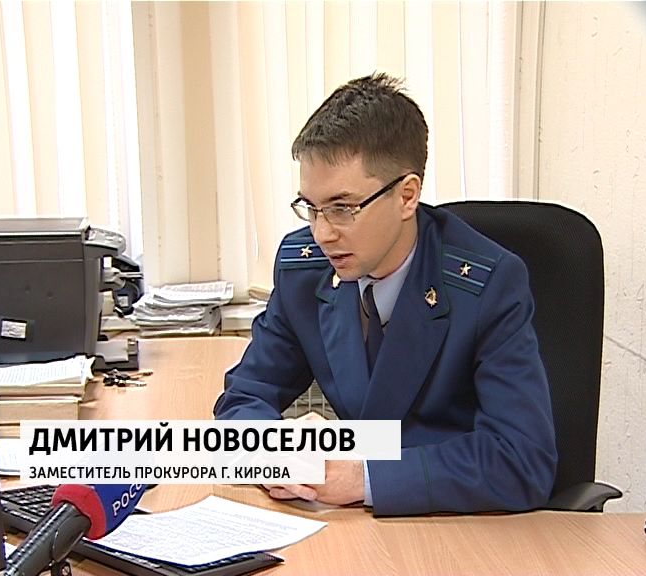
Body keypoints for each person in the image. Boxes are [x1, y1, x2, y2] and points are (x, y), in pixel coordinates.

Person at [214, 72, 557, 516]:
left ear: (407, 196)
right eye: (311, 208)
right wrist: (273, 452)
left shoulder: (488, 285)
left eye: (342, 208)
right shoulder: (304, 268)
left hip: (454, 524)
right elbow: (245, 395)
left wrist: (365, 476)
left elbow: (522, 460)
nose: (321, 233)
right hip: (353, 527)